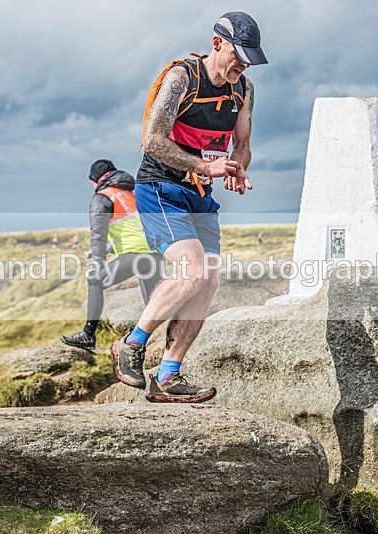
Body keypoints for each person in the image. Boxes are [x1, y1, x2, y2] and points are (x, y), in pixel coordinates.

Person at [111, 12, 267, 402]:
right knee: (192, 271)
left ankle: (168, 374)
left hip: (200, 195)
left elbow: (242, 145)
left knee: (208, 280)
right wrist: (203, 165)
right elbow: (153, 141)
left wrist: (236, 169)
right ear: (217, 44)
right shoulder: (182, 77)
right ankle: (131, 344)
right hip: (160, 188)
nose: (243, 64)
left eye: (249, 57)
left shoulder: (243, 89)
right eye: (238, 54)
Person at [61, 160, 163, 351]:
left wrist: (98, 262)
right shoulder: (134, 191)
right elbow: (133, 227)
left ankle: (88, 335)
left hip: (135, 254)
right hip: (155, 253)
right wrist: (110, 248)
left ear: (95, 180)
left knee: (95, 281)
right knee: (153, 302)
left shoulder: (102, 197)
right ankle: (155, 344)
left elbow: (97, 235)